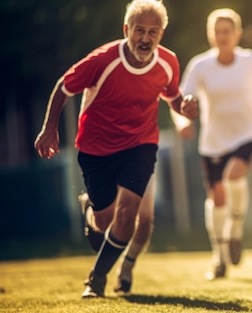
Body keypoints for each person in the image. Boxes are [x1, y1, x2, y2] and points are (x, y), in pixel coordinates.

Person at [34, 0, 198, 298]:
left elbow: (172, 96)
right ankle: (90, 210)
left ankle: (96, 279)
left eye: (153, 32)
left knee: (128, 215)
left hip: (140, 144)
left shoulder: (168, 62)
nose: (145, 39)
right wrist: (49, 128)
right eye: (139, 31)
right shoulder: (104, 60)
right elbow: (63, 87)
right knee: (104, 224)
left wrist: (184, 106)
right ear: (126, 30)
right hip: (96, 147)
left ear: (162, 34)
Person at [172, 8, 252, 280]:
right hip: (213, 141)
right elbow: (181, 101)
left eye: (227, 31)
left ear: (237, 34)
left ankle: (235, 233)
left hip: (248, 133)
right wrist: (183, 122)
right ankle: (219, 256)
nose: (222, 36)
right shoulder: (200, 66)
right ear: (210, 35)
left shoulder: (250, 61)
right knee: (217, 199)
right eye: (217, 31)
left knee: (234, 175)